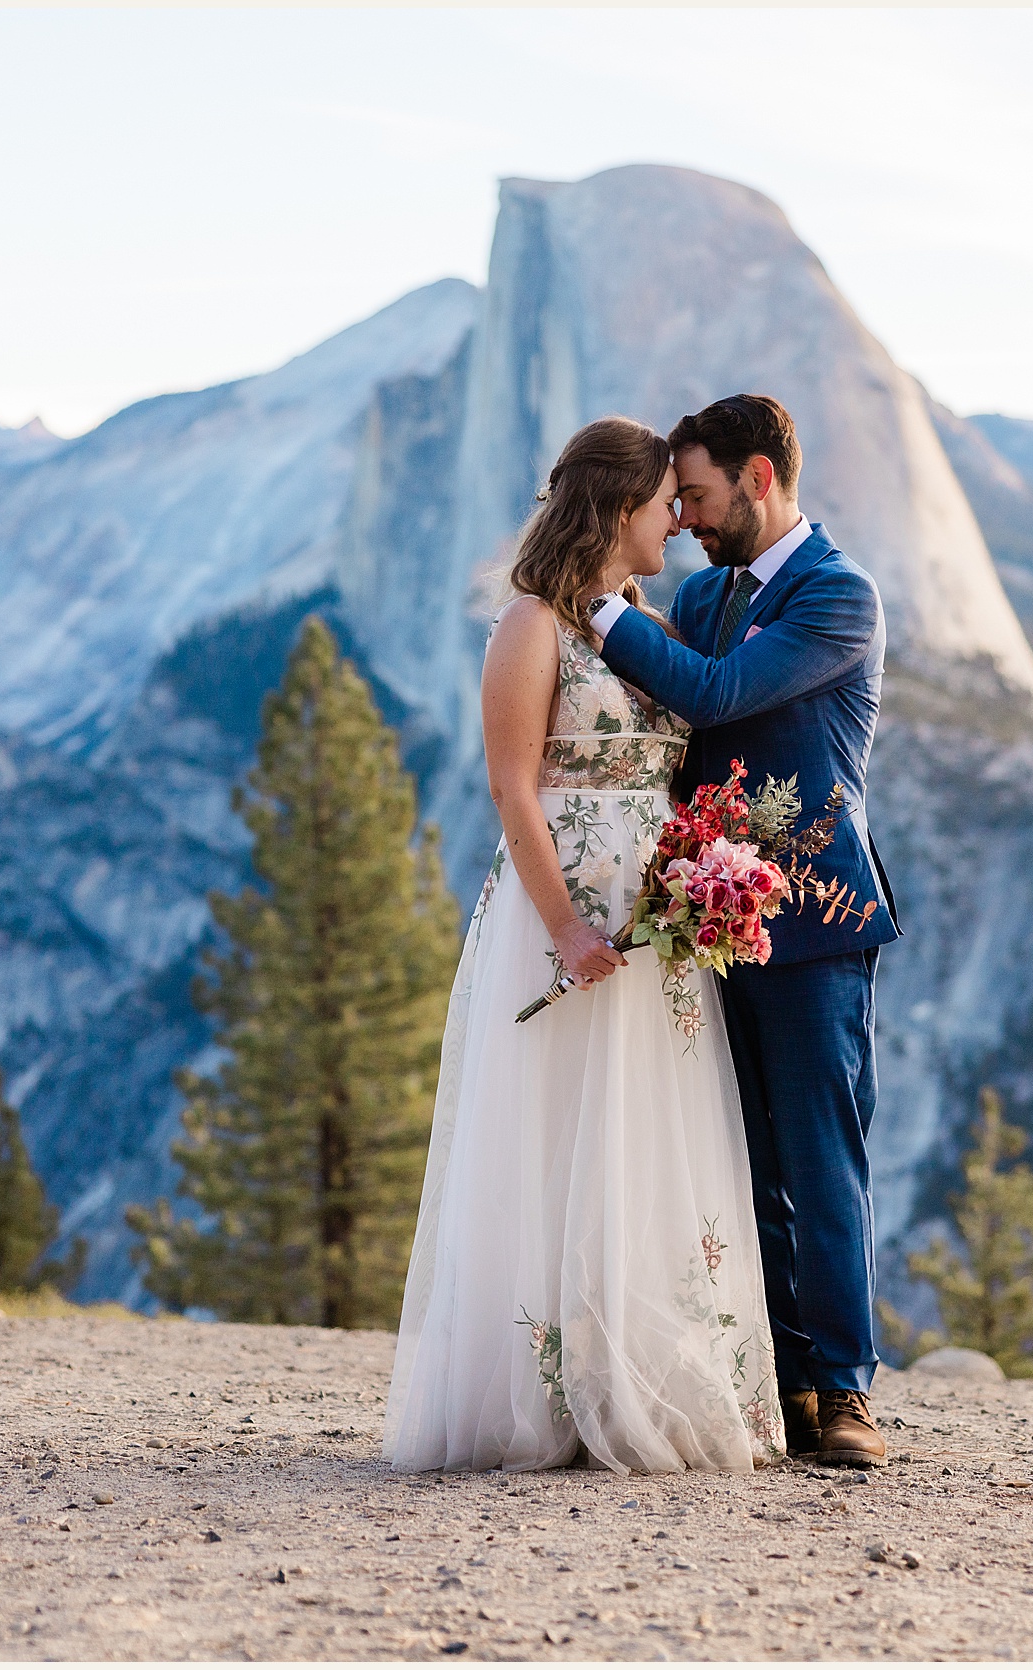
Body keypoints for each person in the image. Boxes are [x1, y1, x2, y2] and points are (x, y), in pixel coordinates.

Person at [384, 416, 784, 1474]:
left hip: (656, 923)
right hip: (562, 911)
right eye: (664, 501)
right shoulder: (528, 625)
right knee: (558, 1133)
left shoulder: (640, 621)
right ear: (617, 508)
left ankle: (633, 1373)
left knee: (642, 1137)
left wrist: (709, 874)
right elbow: (512, 783)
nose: (678, 518)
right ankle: (543, 1393)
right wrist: (563, 923)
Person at [591, 394, 900, 1469]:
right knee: (743, 1157)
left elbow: (714, 694)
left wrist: (589, 601)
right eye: (676, 499)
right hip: (712, 921)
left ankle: (850, 1390)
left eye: (701, 494)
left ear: (760, 477)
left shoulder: (840, 595)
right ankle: (786, 1384)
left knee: (822, 1159)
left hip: (816, 925)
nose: (685, 516)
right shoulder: (706, 591)